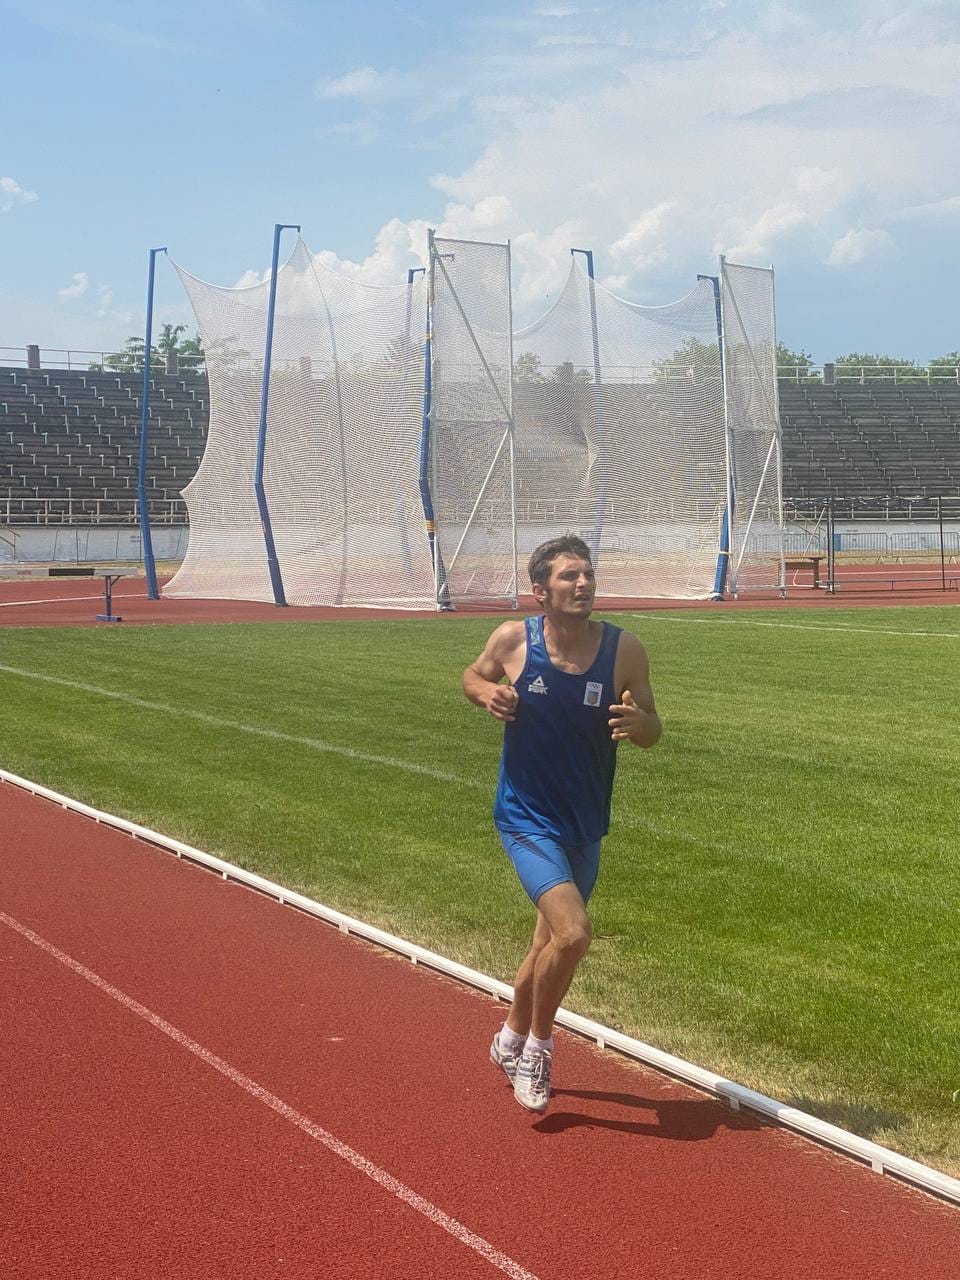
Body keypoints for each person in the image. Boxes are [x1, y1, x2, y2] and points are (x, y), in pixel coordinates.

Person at [462, 534, 662, 1114]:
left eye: (588, 574)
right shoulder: (513, 640)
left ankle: (507, 1037)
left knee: (547, 943)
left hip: (585, 821)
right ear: (540, 591)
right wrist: (488, 694)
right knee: (573, 934)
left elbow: (653, 727)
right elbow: (472, 676)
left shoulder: (624, 650)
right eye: (569, 576)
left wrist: (639, 724)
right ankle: (538, 1049)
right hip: (525, 817)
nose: (583, 584)